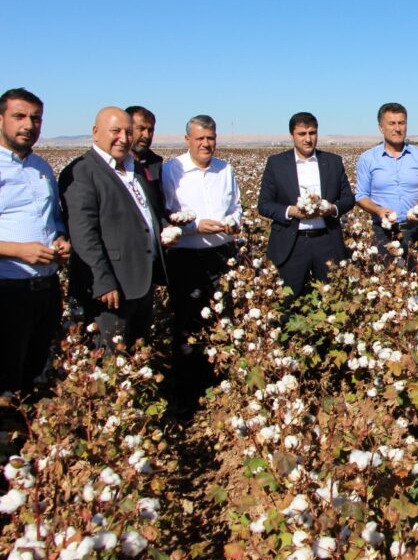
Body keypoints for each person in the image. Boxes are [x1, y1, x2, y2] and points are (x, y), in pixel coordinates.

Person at [62, 107, 166, 349]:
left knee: (137, 353)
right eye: (115, 131)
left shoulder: (134, 169)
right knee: (109, 361)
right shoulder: (82, 171)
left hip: (140, 282)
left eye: (128, 132)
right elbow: (83, 233)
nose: (124, 138)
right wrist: (103, 281)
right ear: (96, 132)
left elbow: (144, 214)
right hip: (111, 289)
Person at [161, 115, 242, 412]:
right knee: (186, 322)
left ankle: (219, 386)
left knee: (223, 320)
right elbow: (166, 214)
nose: (206, 144)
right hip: (186, 257)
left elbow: (236, 208)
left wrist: (232, 223)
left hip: (222, 254)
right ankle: (187, 393)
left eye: (210, 138)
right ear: (188, 140)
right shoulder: (172, 170)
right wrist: (195, 228)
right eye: (200, 139)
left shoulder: (226, 170)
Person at [0, 88, 71, 394]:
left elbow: (51, 218)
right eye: (19, 116)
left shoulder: (41, 167)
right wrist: (18, 251)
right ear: (1, 119)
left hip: (45, 289)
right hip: (7, 289)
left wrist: (61, 239)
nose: (29, 125)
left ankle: (28, 437)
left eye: (36, 118)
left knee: (35, 368)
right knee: (5, 373)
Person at [258, 112, 355, 301]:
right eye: (302, 134)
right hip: (292, 243)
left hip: (326, 241)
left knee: (333, 300)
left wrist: (331, 209)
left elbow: (348, 199)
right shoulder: (276, 163)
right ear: (292, 135)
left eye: (312, 133)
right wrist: (290, 211)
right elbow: (264, 205)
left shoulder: (333, 162)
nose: (308, 139)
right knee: (287, 301)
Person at [354, 103, 418, 267]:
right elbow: (361, 195)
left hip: (415, 230)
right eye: (392, 123)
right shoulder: (368, 158)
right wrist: (378, 210)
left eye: (402, 123)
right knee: (387, 284)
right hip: (383, 232)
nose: (398, 128)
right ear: (381, 127)